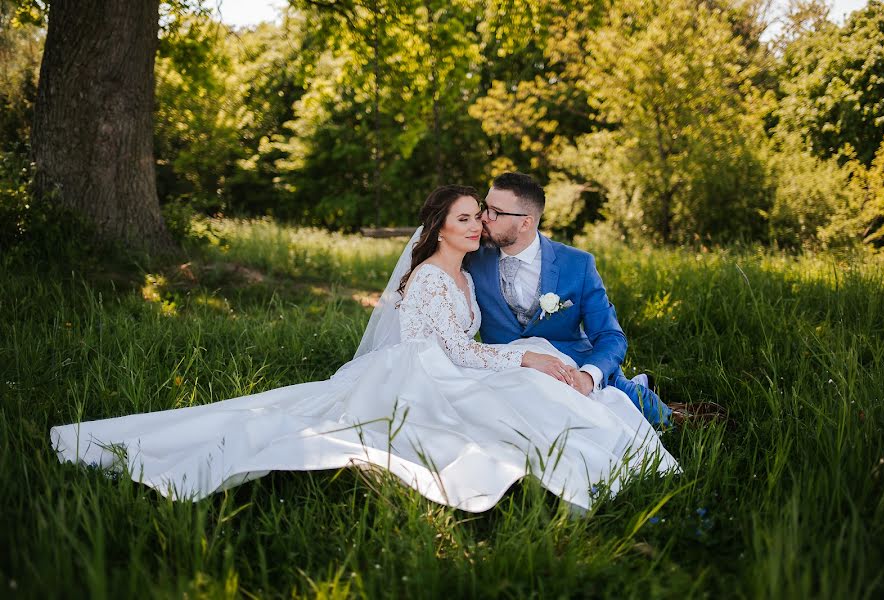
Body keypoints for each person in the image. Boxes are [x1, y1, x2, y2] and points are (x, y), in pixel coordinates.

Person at [50, 186, 677, 512]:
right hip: (427, 374)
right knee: (526, 381)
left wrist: (531, 354)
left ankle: (625, 412)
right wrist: (522, 357)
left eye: (479, 217)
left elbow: (468, 343)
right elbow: (453, 354)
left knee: (542, 364)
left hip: (449, 363)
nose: (476, 225)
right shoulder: (433, 277)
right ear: (437, 228)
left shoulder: (466, 271)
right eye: (465, 218)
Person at [467, 172, 673, 426]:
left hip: (569, 365)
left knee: (648, 418)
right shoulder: (470, 257)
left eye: (496, 212)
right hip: (506, 369)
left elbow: (611, 336)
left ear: (525, 223)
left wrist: (587, 376)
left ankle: (667, 407)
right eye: (485, 207)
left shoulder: (578, 264)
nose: (484, 218)